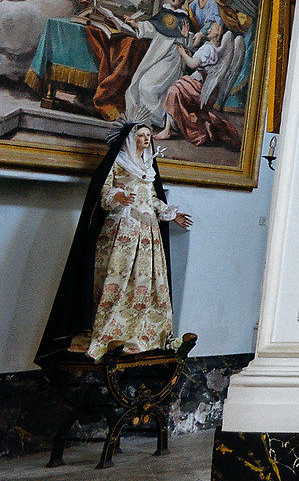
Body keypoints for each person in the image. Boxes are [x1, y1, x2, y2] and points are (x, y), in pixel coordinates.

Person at [37, 122, 193, 363]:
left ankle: (145, 335)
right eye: (141, 136)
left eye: (148, 136)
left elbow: (151, 198)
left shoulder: (148, 166)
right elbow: (104, 193)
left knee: (150, 282)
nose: (146, 140)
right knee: (117, 279)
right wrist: (118, 195)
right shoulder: (119, 162)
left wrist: (173, 215)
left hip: (148, 233)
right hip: (123, 230)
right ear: (130, 140)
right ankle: (110, 334)